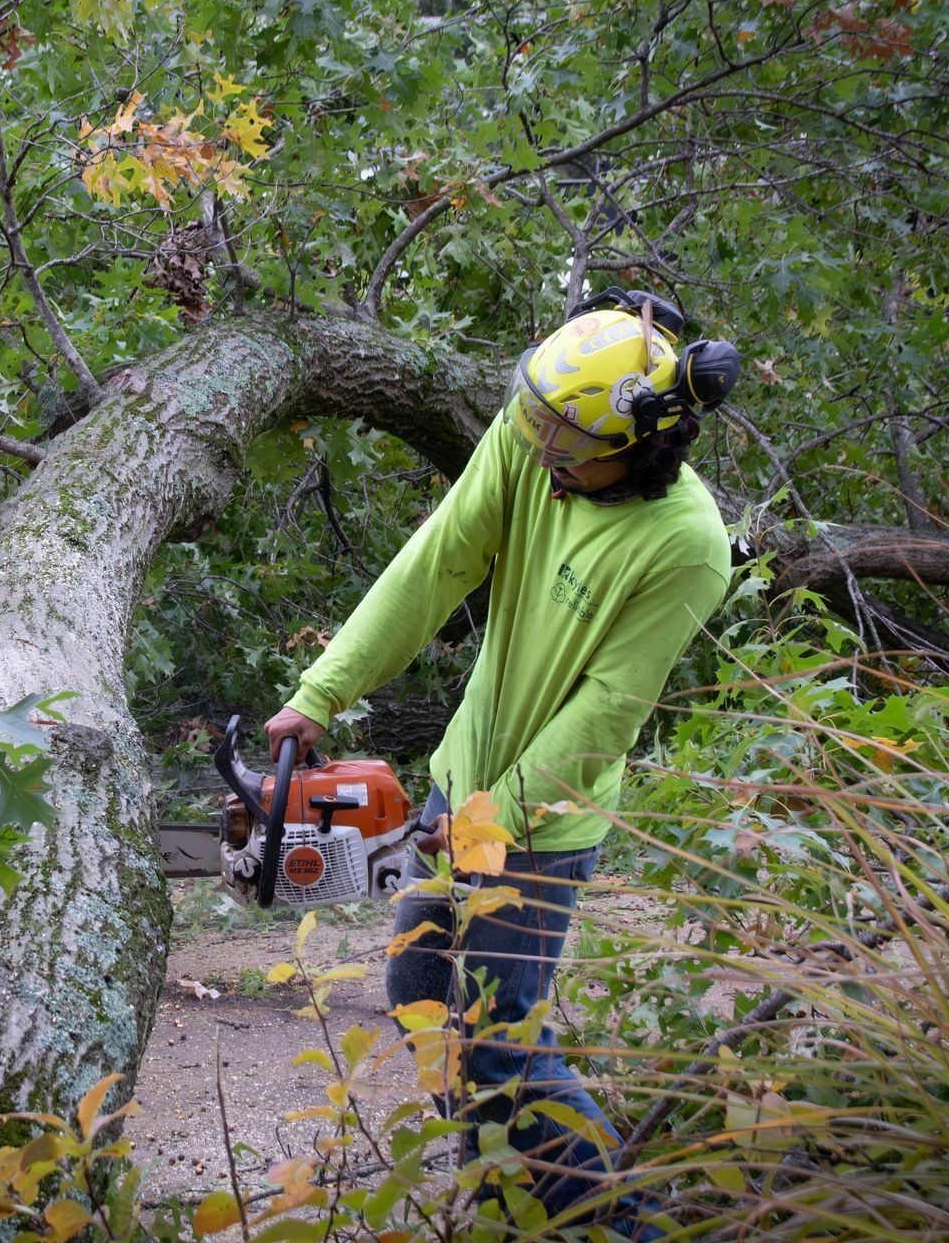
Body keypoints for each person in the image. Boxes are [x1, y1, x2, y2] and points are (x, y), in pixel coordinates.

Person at [264, 289, 740, 1234]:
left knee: (500, 1040)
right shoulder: (534, 439)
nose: (545, 463)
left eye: (569, 452)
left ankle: (623, 1225)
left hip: (544, 818)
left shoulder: (687, 546)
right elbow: (438, 559)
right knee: (421, 992)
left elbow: (609, 712)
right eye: (540, 438)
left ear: (644, 440)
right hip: (463, 772)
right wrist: (321, 692)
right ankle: (508, 1200)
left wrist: (499, 815)